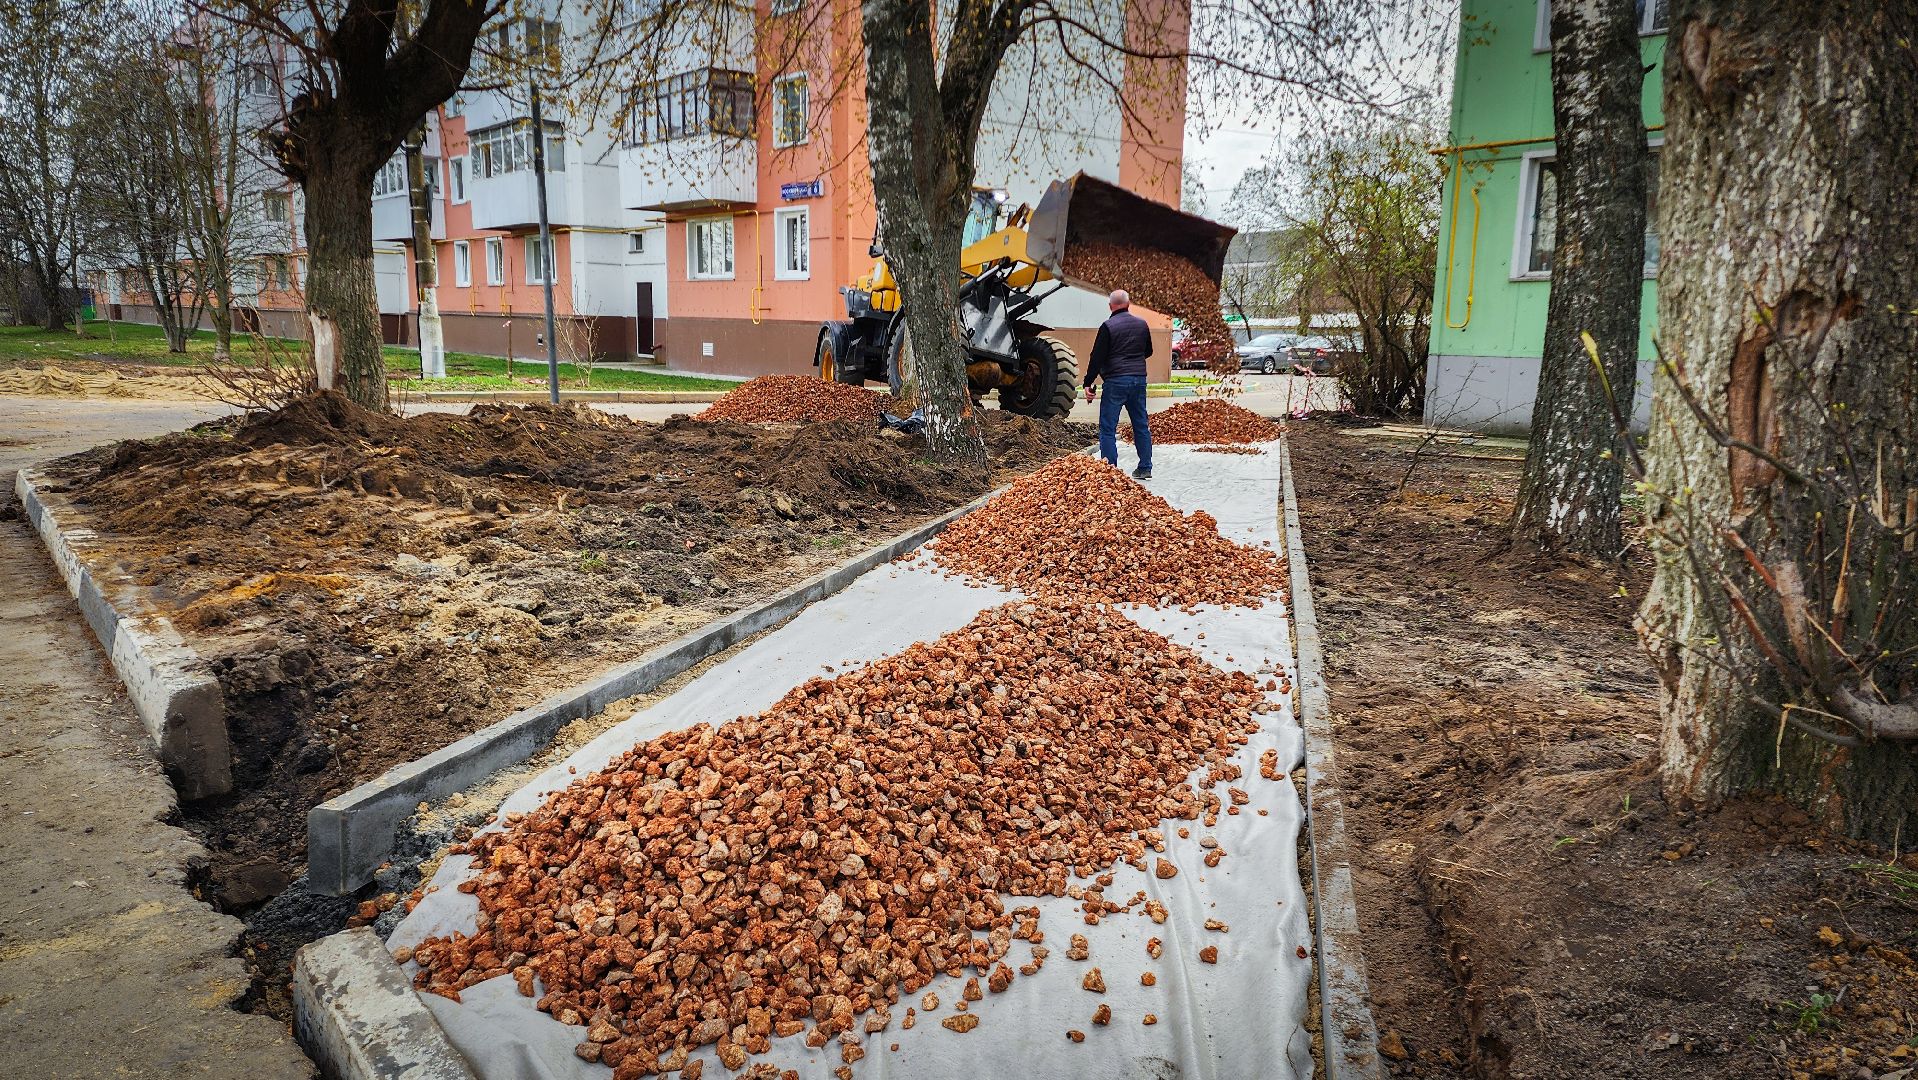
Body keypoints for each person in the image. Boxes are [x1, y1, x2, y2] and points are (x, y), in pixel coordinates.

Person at [1083, 289, 1154, 479]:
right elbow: (1148, 351)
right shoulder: (1142, 324)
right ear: (1129, 304)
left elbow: (1096, 357)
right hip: (1139, 380)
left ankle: (1110, 472)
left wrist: (1088, 382)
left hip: (1115, 381)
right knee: (1141, 424)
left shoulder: (1108, 326)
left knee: (1108, 428)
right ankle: (1145, 467)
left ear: (1110, 306)